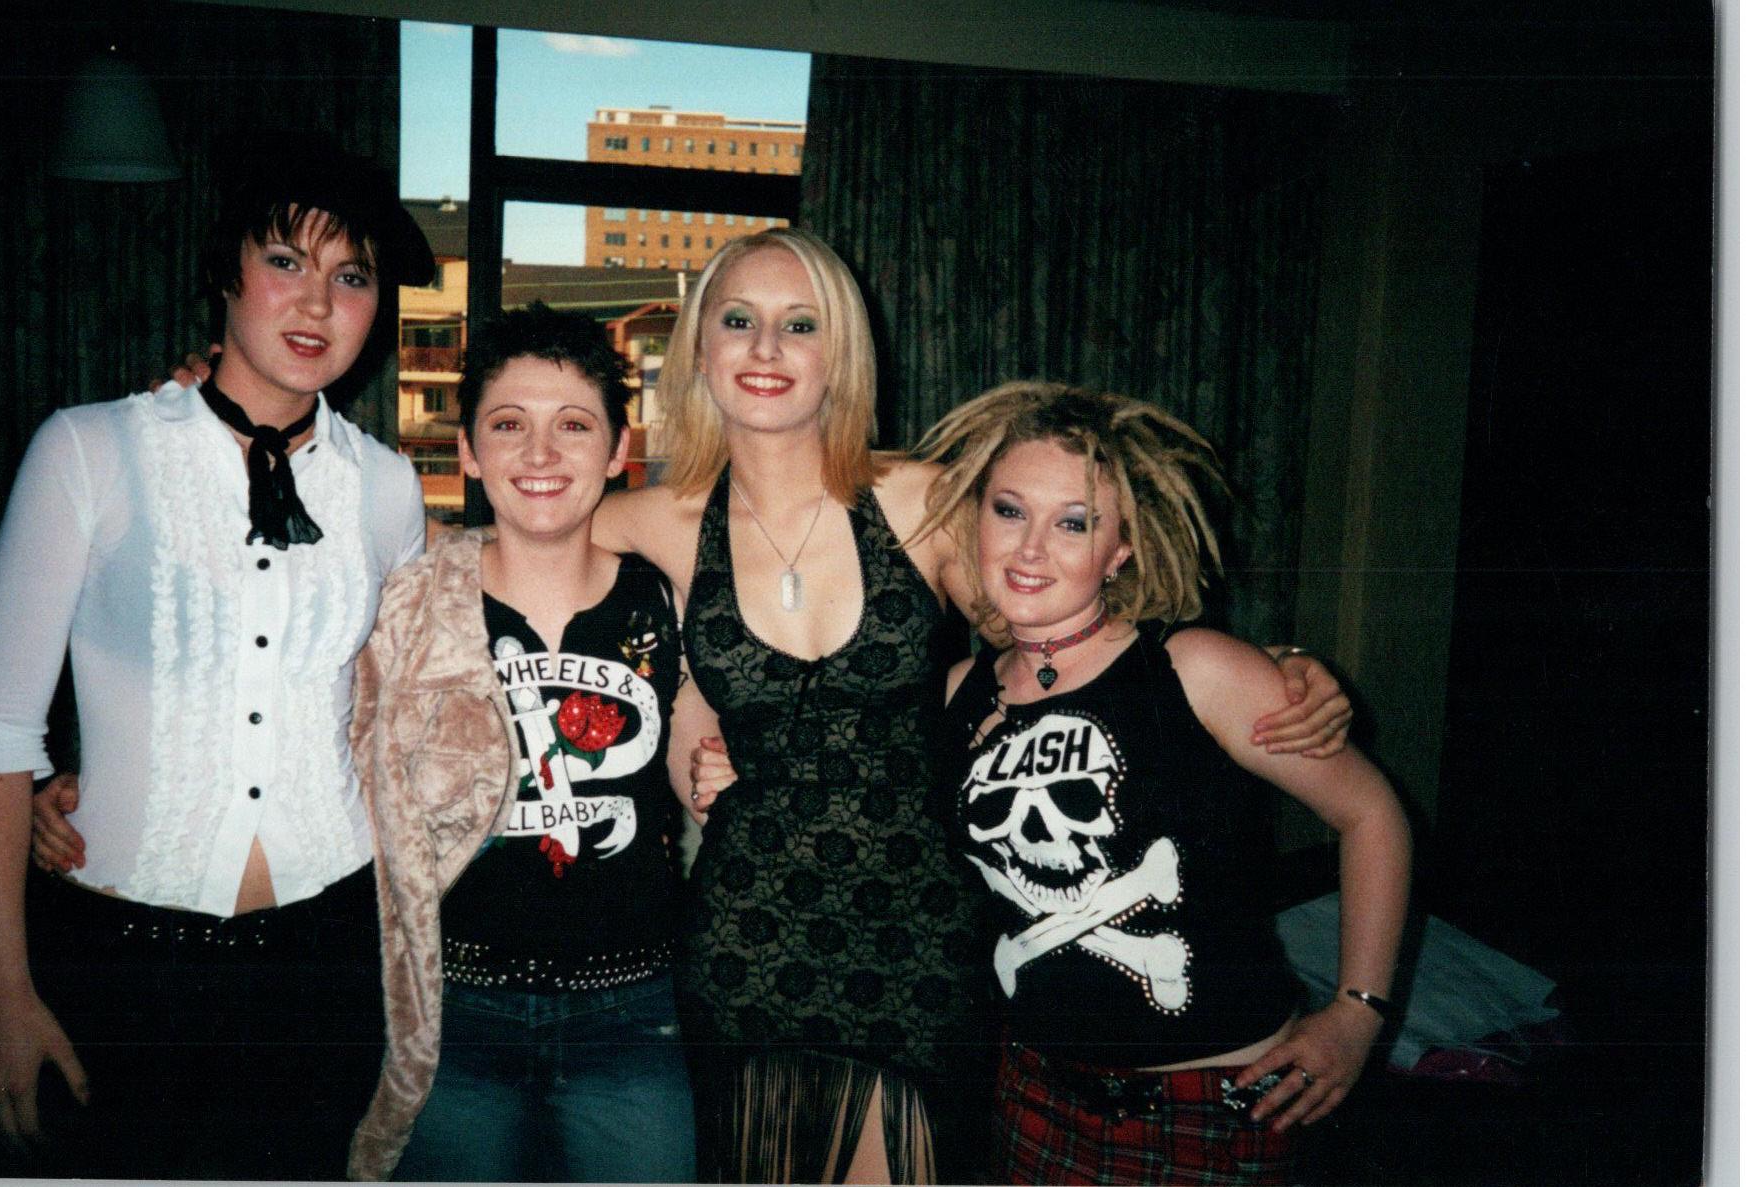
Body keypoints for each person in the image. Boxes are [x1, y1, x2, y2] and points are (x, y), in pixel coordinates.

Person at [590, 227, 1358, 1184]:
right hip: (746, 934)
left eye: (802, 324)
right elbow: (524, 563)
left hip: (921, 937)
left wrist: (1275, 668)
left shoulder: (920, 500)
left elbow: (1067, 624)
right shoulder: (652, 518)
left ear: (842, 353)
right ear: (699, 347)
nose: (766, 348)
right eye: (738, 320)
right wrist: (693, 718)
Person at [0, 143, 435, 1179]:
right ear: (225, 272)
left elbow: (395, 701)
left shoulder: (389, 488)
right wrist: (2, 985)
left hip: (324, 961)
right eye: (284, 261)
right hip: (117, 962)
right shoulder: (88, 448)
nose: (318, 302)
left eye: (352, 276)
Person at [918, 381, 1411, 1186]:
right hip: (1033, 1095)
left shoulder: (1195, 668)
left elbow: (1373, 813)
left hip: (1214, 1107)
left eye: (1073, 522)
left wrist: (1358, 1013)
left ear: (1121, 549)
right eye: (1009, 510)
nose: (1031, 548)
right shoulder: (953, 695)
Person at [344, 303, 712, 1183]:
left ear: (619, 449)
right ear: (468, 451)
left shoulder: (665, 600)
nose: (540, 454)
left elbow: (703, 749)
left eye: (573, 425)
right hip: (455, 1016)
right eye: (508, 425)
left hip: (635, 1014)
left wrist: (713, 773)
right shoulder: (410, 604)